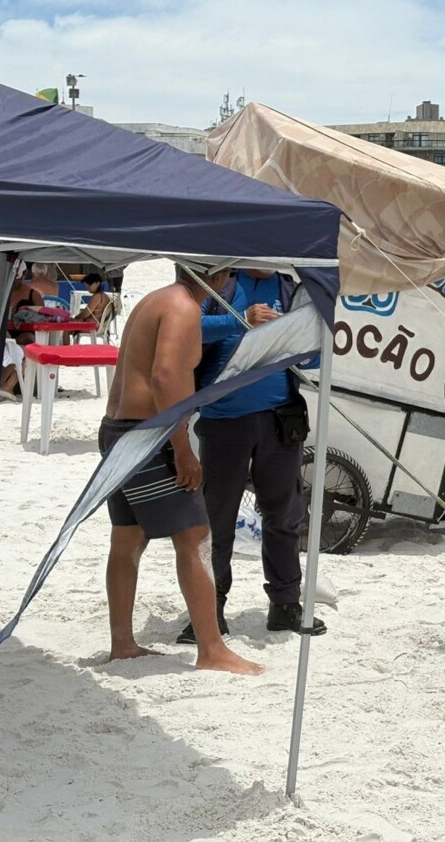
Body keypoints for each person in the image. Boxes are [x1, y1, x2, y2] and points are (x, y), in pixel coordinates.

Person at [98, 266, 262, 675]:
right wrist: (182, 448)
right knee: (195, 537)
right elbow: (166, 375)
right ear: (217, 276)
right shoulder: (184, 307)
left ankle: (122, 644)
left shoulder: (155, 299)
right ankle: (212, 649)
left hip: (118, 429)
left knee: (128, 537)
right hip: (147, 434)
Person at [176, 268, 326, 645]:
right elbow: (186, 327)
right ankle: (209, 610)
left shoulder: (291, 289)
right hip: (224, 419)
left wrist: (306, 342)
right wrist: (240, 319)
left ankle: (285, 603)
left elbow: (314, 355)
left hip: (281, 419)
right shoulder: (220, 282)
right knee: (216, 518)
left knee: (285, 514)